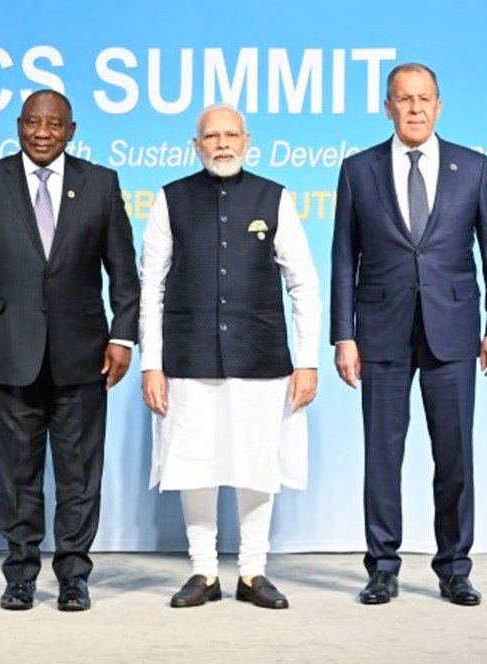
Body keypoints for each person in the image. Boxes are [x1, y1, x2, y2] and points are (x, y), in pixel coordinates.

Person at [0, 90, 140, 611]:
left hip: (84, 355)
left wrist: (123, 336)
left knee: (80, 476)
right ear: (19, 125)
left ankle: (74, 575)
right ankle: (20, 575)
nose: (42, 133)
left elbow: (124, 271)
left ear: (71, 131)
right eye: (33, 122)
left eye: (54, 125)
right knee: (16, 475)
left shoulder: (101, 184)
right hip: (7, 352)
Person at [331, 62, 487, 606]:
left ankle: (454, 568)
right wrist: (344, 335)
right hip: (380, 332)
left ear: (439, 106)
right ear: (387, 107)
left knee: (454, 456)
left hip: (453, 332)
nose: (414, 108)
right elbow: (343, 259)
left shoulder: (473, 167)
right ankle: (382, 568)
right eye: (404, 98)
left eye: (424, 98)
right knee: (382, 458)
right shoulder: (358, 170)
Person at [140, 104, 321, 610]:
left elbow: (303, 283)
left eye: (230, 135)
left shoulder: (274, 197)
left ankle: (252, 571)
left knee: (256, 464)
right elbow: (150, 285)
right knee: (193, 464)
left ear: (247, 141)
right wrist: (150, 363)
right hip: (187, 357)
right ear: (196, 145)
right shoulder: (171, 199)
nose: (221, 144)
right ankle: (202, 572)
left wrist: (307, 360)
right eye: (211, 136)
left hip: (260, 357)